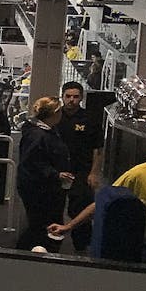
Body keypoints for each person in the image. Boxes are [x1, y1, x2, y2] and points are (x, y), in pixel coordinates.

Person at [16, 97, 73, 251]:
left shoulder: (44, 131)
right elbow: (32, 162)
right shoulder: (38, 135)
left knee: (40, 223)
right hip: (39, 189)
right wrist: (55, 174)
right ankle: (30, 250)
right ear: (54, 114)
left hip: (42, 186)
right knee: (40, 224)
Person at [55, 81, 104, 253]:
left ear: (81, 97)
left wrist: (94, 173)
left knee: (80, 208)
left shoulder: (90, 119)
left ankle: (82, 246)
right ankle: (52, 241)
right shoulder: (55, 117)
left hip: (82, 170)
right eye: (68, 96)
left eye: (76, 97)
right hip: (58, 170)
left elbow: (98, 149)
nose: (71, 100)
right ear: (62, 96)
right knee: (54, 206)